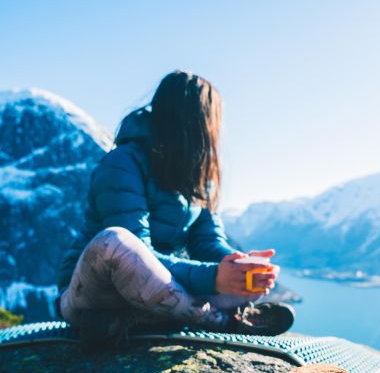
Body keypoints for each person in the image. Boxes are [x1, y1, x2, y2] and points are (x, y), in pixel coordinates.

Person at [56, 71, 294, 350]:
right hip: (94, 293)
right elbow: (136, 251)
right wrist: (214, 277)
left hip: (156, 292)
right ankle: (219, 321)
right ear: (195, 122)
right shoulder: (123, 163)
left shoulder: (196, 177)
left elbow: (206, 241)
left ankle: (136, 321)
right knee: (115, 242)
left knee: (243, 288)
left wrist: (237, 265)